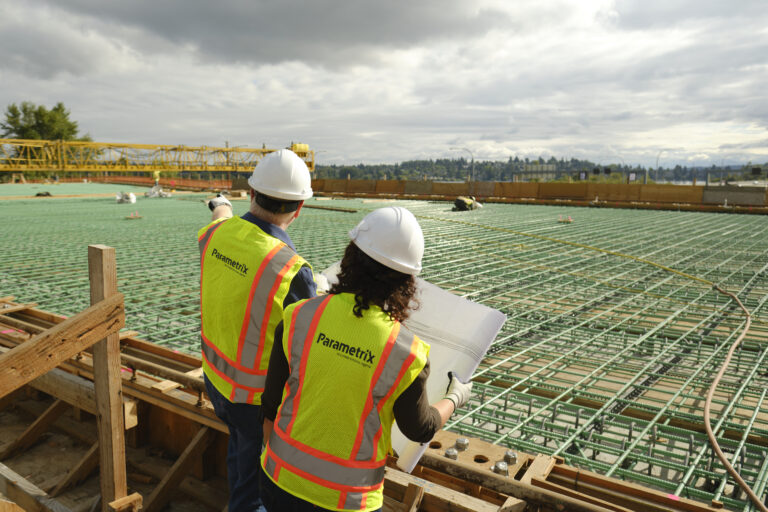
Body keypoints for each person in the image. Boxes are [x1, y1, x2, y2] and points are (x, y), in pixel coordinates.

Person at [259, 206, 473, 512]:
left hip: (278, 481)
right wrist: (454, 397)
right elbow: (419, 427)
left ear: (350, 257)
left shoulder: (298, 317)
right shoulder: (406, 352)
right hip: (346, 500)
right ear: (407, 281)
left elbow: (270, 404)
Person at [199, 149, 316, 512]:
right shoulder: (291, 269)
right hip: (252, 401)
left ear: (251, 194)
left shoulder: (215, 236)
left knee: (240, 455)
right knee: (253, 493)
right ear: (298, 208)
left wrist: (219, 202)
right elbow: (308, 342)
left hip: (215, 381)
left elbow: (222, 217)